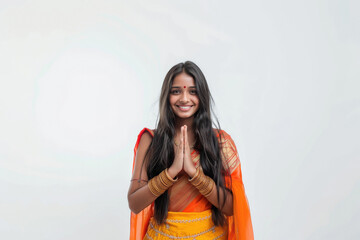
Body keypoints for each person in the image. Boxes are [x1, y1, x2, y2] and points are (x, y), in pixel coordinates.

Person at [128, 61, 254, 240]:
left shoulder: (220, 142)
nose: (184, 98)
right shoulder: (150, 140)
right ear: (167, 95)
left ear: (202, 96)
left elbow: (233, 207)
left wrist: (194, 173)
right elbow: (134, 203)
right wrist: (170, 173)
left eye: (192, 91)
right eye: (176, 91)